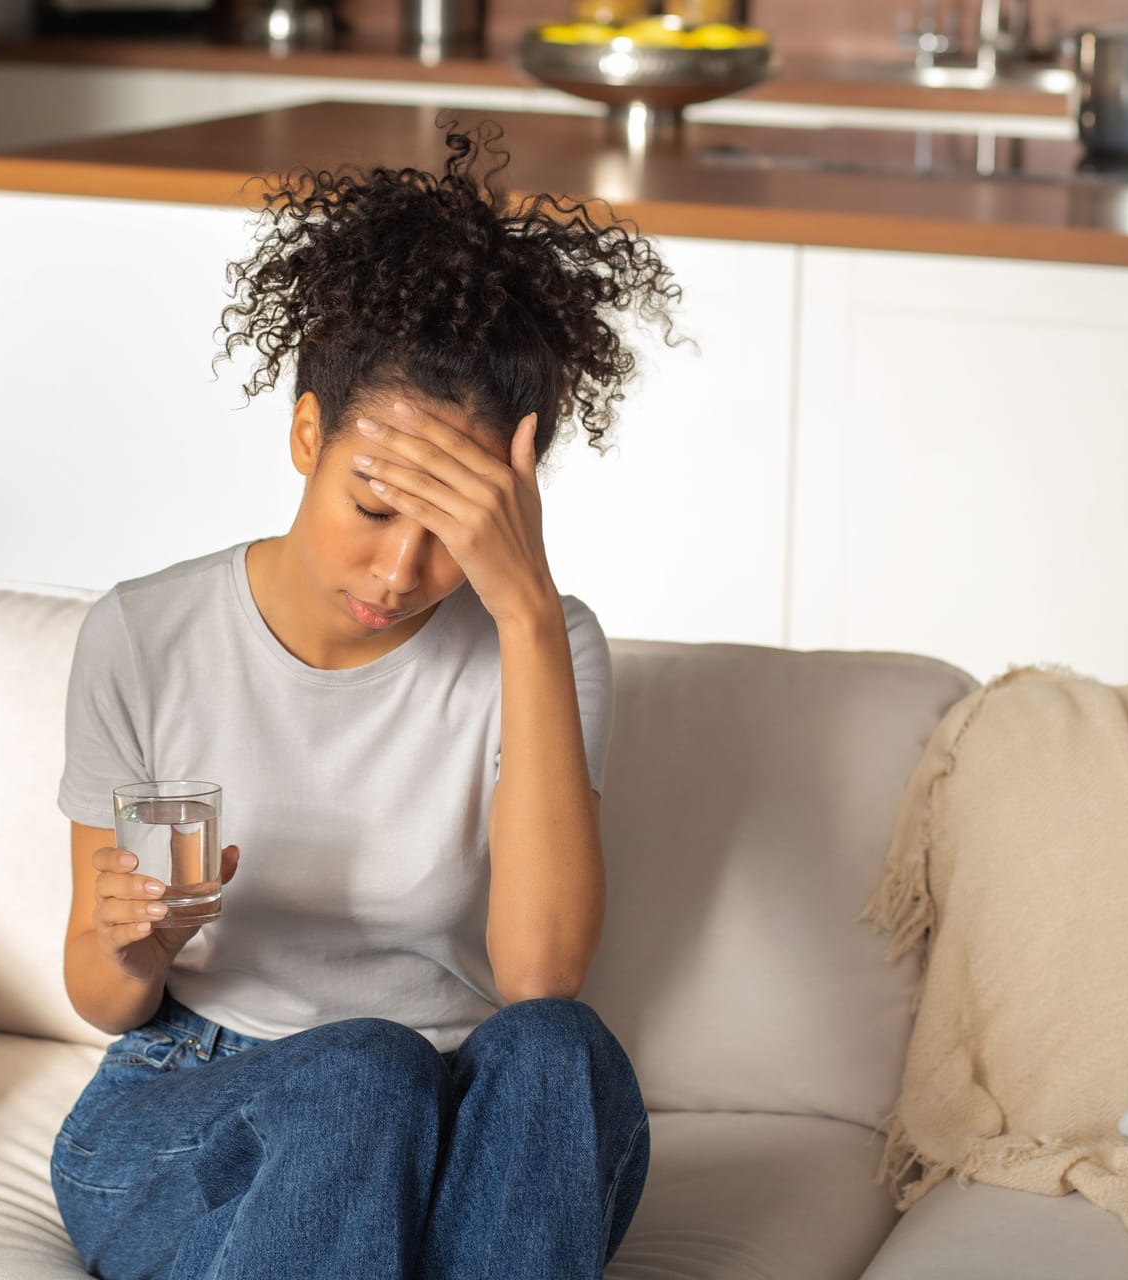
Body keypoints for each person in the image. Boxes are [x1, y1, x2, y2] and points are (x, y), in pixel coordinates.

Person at [52, 112, 687, 1280]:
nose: (399, 574)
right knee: (363, 1068)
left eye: (450, 531)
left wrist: (529, 612)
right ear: (308, 434)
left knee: (556, 1049)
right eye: (375, 505)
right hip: (192, 1105)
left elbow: (538, 972)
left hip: (461, 1122)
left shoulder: (544, 644)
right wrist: (129, 939)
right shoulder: (146, 633)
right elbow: (104, 997)